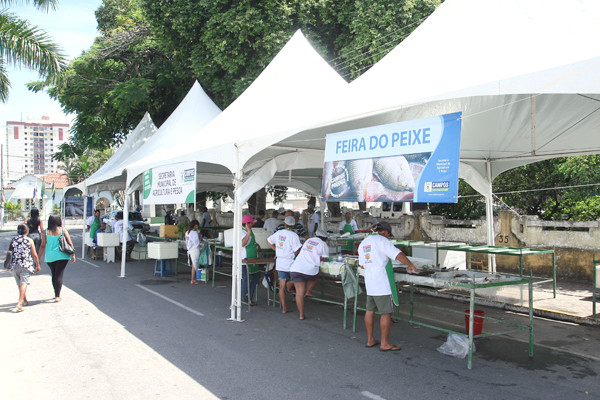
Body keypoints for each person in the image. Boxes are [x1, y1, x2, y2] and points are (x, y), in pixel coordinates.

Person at [358, 221, 419, 352]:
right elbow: (398, 255)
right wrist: (411, 265)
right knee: (386, 313)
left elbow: (362, 265)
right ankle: (384, 343)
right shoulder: (382, 241)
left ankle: (370, 340)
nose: (388, 236)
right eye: (388, 234)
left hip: (370, 281)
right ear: (385, 232)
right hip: (382, 282)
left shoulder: (364, 242)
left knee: (370, 310)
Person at [290, 229, 329, 320]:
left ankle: (301, 315)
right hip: (309, 270)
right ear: (325, 238)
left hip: (296, 268)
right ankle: (308, 291)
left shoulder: (308, 240)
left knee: (299, 293)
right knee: (315, 278)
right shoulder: (323, 244)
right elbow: (324, 258)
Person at [267, 216, 302, 313]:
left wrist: (275, 249)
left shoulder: (279, 233)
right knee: (298, 281)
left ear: (284, 224)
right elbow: (297, 251)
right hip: (290, 262)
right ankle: (290, 285)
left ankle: (284, 308)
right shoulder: (294, 236)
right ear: (293, 225)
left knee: (281, 286)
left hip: (280, 262)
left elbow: (268, 241)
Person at [39, 215, 76, 303]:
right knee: (59, 274)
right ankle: (57, 296)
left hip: (50, 257)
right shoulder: (62, 230)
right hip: (62, 256)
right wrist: (73, 255)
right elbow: (70, 243)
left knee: (54, 274)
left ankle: (56, 293)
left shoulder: (45, 232)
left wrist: (38, 258)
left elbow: (42, 246)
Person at [8, 224, 40, 312]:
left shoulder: (13, 240)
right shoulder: (29, 240)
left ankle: (24, 300)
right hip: (25, 265)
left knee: (20, 284)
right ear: (27, 231)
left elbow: (9, 252)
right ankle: (19, 303)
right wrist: (37, 264)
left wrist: (8, 265)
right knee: (24, 283)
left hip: (14, 265)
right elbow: (34, 254)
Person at [241, 215, 261, 305]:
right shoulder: (242, 232)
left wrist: (256, 244)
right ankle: (245, 297)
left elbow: (251, 241)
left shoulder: (250, 231)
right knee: (246, 278)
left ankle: (248, 295)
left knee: (256, 276)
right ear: (247, 224)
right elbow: (243, 243)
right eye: (251, 223)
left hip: (252, 258)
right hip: (245, 258)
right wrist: (248, 232)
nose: (253, 224)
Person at [185, 219, 201, 284]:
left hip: (190, 249)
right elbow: (197, 243)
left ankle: (193, 279)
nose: (197, 227)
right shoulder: (194, 233)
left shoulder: (187, 232)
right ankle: (193, 279)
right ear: (195, 226)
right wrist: (199, 237)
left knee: (193, 265)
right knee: (195, 265)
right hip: (194, 249)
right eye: (197, 226)